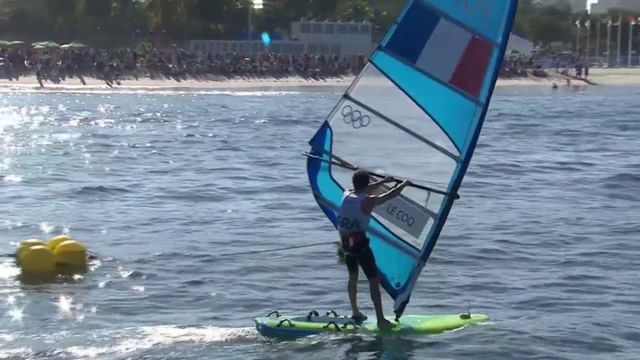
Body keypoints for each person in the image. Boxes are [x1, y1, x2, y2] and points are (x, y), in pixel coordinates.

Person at [337, 169, 410, 330]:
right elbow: (390, 195)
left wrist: (383, 182)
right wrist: (404, 184)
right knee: (373, 280)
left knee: (353, 277)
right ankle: (380, 320)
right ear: (367, 184)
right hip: (359, 244)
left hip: (345, 244)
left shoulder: (346, 193)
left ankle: (355, 311)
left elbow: (363, 190)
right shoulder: (368, 201)